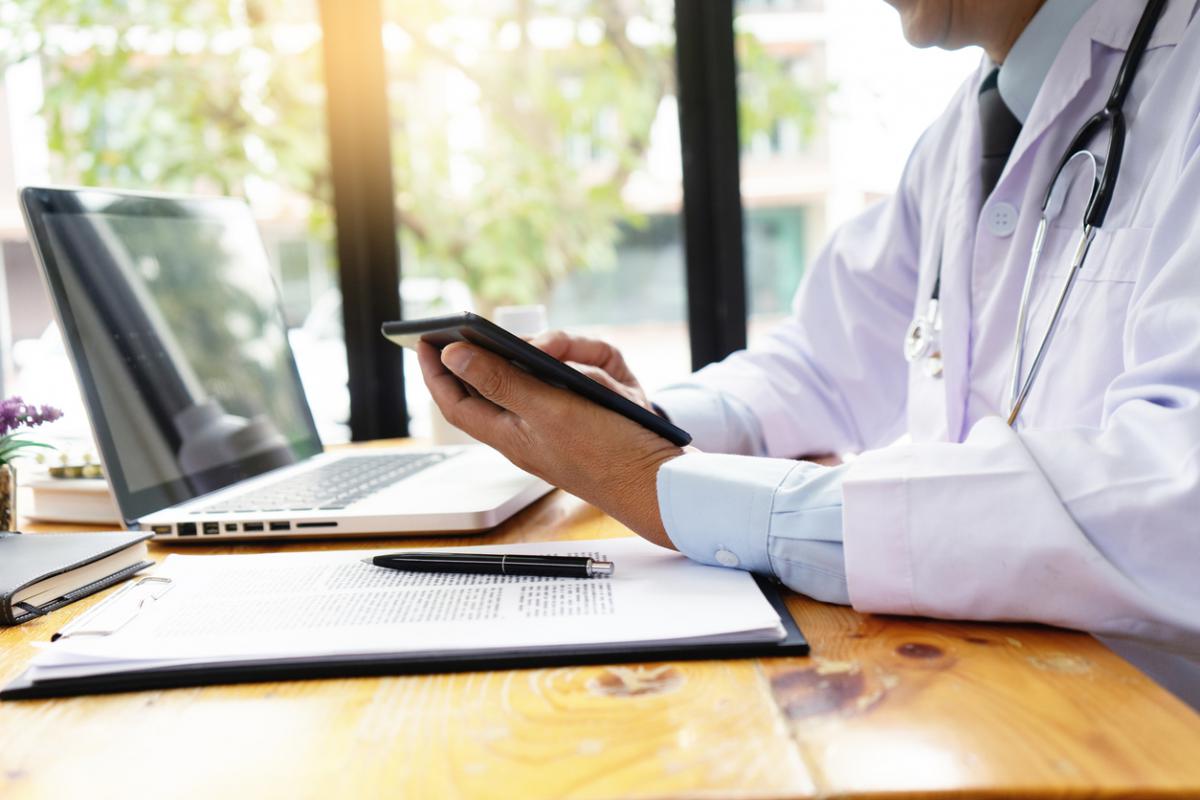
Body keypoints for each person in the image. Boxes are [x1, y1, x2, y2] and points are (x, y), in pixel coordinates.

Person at [417, 0, 1200, 708]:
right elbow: (825, 361)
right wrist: (641, 422)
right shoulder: (966, 131)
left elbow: (1176, 495)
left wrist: (662, 487)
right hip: (995, 700)